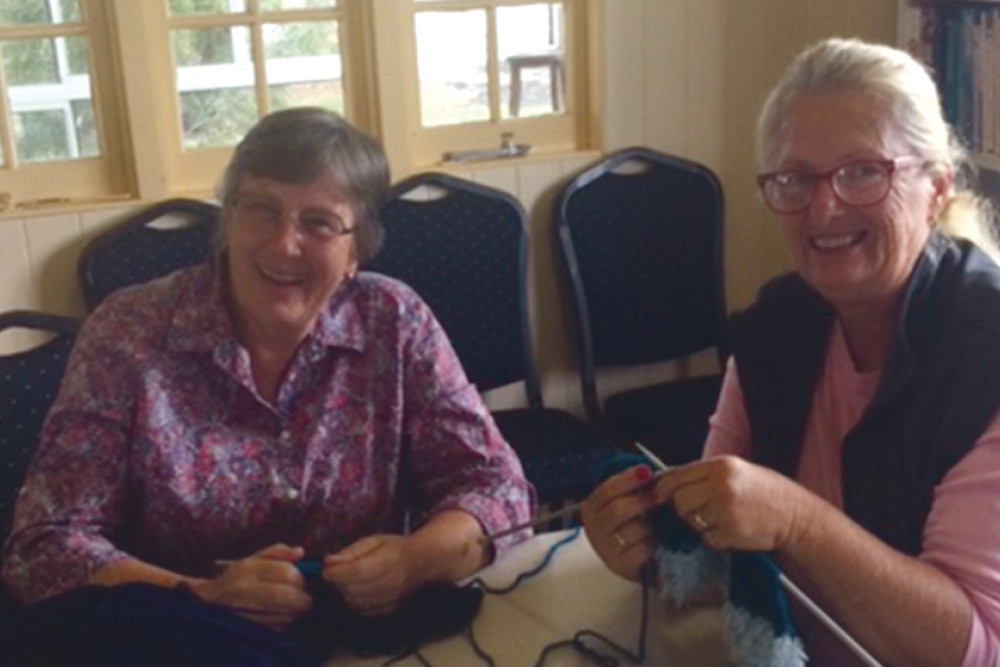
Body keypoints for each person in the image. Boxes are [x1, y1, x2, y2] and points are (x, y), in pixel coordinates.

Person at [1, 108, 533, 644]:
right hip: (178, 644)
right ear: (228, 222)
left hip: (362, 644)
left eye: (319, 222)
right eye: (261, 209)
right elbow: (45, 547)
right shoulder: (128, 333)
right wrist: (202, 596)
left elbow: (497, 486)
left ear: (356, 250)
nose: (284, 244)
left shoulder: (394, 321)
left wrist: (417, 559)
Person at [582, 38, 1000, 667]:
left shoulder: (986, 356)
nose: (824, 207)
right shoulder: (775, 327)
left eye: (864, 171)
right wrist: (648, 549)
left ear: (936, 188)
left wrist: (799, 523)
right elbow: (719, 553)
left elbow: (973, 649)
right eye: (796, 178)